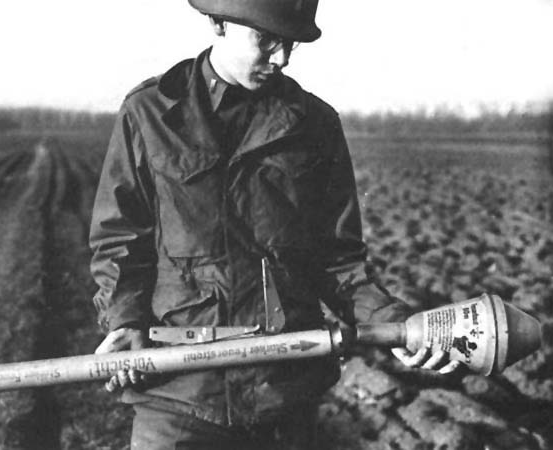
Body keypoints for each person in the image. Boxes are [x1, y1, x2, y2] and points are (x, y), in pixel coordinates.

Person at [89, 1, 460, 448]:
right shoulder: (150, 114)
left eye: (290, 45)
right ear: (218, 23)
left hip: (281, 396)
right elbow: (121, 240)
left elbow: (338, 258)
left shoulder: (315, 126)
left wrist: (394, 323)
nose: (281, 58)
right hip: (176, 391)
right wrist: (124, 321)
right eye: (266, 40)